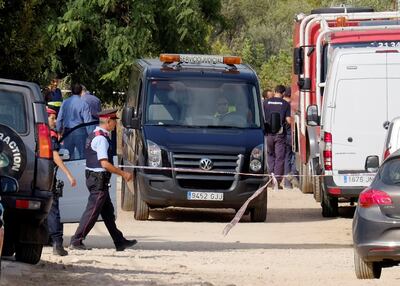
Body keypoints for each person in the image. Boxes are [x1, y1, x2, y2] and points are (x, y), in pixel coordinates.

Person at [69, 109, 136, 251]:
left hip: (96, 179)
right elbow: (104, 163)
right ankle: (77, 240)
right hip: (98, 180)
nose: (115, 124)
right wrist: (123, 174)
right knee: (92, 212)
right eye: (114, 121)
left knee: (107, 213)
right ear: (108, 121)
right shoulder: (101, 139)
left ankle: (119, 241)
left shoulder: (94, 134)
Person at [47, 107, 77, 256]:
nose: (54, 121)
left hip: (38, 175)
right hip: (48, 177)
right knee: (53, 210)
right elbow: (55, 156)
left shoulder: (37, 134)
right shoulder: (51, 135)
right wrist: (69, 174)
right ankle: (57, 244)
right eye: (52, 118)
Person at [264, 85, 291, 188]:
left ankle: (270, 179)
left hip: (267, 134)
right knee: (280, 158)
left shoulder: (265, 103)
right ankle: (277, 181)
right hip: (280, 134)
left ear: (275, 91)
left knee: (270, 155)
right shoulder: (285, 104)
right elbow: (288, 120)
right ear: (283, 93)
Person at [56, 83, 92, 159]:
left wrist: (58, 131)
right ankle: (81, 171)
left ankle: (69, 170)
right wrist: (91, 135)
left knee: (68, 155)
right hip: (80, 131)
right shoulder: (84, 104)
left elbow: (59, 119)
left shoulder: (65, 103)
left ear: (71, 91)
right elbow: (88, 122)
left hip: (67, 132)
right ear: (81, 91)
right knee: (82, 156)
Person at [282, 87, 299, 189]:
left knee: (287, 158)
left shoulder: (282, 105)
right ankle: (293, 176)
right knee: (294, 157)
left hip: (284, 134)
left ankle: (287, 184)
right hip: (292, 134)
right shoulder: (293, 105)